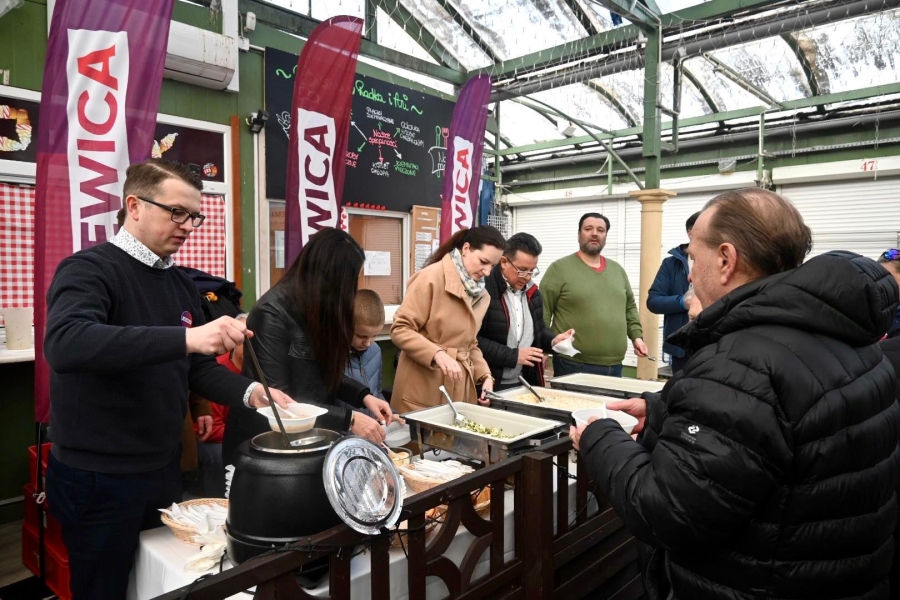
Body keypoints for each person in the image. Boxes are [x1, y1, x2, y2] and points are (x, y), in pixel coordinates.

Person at [570, 189, 900, 599]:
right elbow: (762, 428)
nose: (689, 275)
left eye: (694, 259)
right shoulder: (852, 340)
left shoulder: (741, 362)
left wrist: (599, 435)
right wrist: (661, 410)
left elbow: (668, 511)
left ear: (726, 260)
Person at [43, 159, 295, 600]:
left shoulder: (179, 284)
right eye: (176, 212)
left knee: (159, 581)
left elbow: (196, 367)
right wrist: (186, 338)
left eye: (194, 216)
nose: (188, 226)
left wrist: (252, 392)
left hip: (162, 469)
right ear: (134, 206)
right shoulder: (89, 269)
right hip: (99, 476)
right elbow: (67, 343)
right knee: (102, 589)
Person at [223, 228, 395, 466]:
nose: (351, 292)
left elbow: (323, 372)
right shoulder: (271, 314)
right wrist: (350, 419)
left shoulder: (319, 308)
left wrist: (363, 396)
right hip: (267, 444)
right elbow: (280, 401)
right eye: (350, 282)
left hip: (308, 437)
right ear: (331, 278)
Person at [390, 226, 506, 413]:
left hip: (459, 389)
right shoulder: (429, 278)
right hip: (421, 388)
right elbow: (400, 329)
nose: (487, 272)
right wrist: (437, 354)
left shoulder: (482, 295)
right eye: (483, 262)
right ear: (466, 249)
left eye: (493, 266)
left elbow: (469, 344)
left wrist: (485, 376)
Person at [540, 213, 648, 378]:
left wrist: (637, 337)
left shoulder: (617, 270)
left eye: (600, 230)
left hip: (615, 366)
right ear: (579, 235)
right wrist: (542, 348)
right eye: (588, 229)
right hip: (572, 364)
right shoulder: (559, 269)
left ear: (605, 236)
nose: (595, 233)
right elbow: (543, 311)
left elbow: (630, 307)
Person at [476, 232, 574, 391]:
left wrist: (553, 341)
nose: (527, 277)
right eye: (522, 270)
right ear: (503, 262)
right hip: (485, 381)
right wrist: (513, 356)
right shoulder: (483, 290)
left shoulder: (533, 292)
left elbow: (538, 331)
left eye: (532, 270)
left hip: (522, 381)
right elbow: (471, 340)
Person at [647, 212, 700, 373]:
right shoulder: (671, 264)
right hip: (682, 349)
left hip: (713, 345)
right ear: (690, 232)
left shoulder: (722, 260)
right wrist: (682, 302)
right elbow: (653, 301)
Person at [344, 289, 386, 401]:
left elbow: (377, 392)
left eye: (374, 336)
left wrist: (386, 409)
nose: (367, 343)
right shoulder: (333, 356)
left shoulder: (376, 350)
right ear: (346, 326)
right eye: (361, 336)